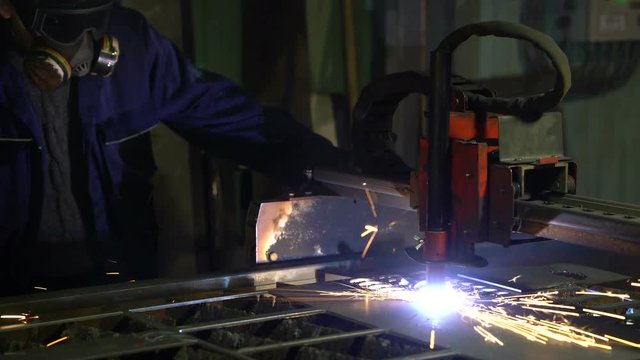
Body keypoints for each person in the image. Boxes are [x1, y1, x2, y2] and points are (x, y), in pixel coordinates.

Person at [0, 0, 344, 295]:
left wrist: (337, 168)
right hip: (13, 293)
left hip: (121, 282)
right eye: (58, 26)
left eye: (88, 23)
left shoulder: (133, 45)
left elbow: (227, 116)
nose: (77, 47)